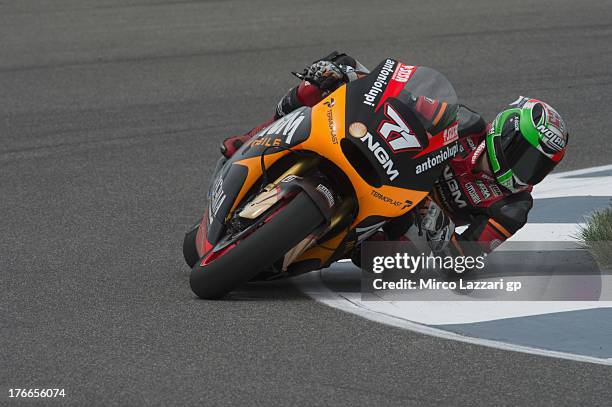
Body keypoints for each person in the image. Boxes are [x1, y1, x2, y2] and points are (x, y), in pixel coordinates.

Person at [219, 51, 569, 259]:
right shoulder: (467, 123)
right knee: (332, 71)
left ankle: (309, 247)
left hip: (403, 226)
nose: (528, 171)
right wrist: (356, 77)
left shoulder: (513, 208)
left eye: (539, 166)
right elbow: (402, 102)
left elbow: (464, 261)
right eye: (523, 155)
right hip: (387, 165)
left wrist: (442, 235)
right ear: (503, 132)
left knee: (384, 267)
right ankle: (253, 137)